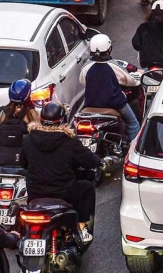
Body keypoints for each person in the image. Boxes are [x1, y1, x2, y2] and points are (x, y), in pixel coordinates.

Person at [21, 102, 101, 242]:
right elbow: (91, 161)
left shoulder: (28, 140)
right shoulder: (70, 142)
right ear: (62, 120)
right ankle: (82, 226)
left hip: (35, 192)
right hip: (64, 193)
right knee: (87, 187)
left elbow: (23, 163)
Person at [81, 34, 140, 140]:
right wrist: (138, 79)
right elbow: (131, 81)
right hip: (115, 104)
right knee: (133, 124)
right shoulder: (113, 65)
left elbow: (82, 80)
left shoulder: (86, 66)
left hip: (90, 103)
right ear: (109, 49)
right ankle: (132, 153)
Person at [0, 79, 39, 166]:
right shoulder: (32, 114)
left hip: (4, 159)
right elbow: (38, 137)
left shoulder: (4, 113)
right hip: (26, 160)